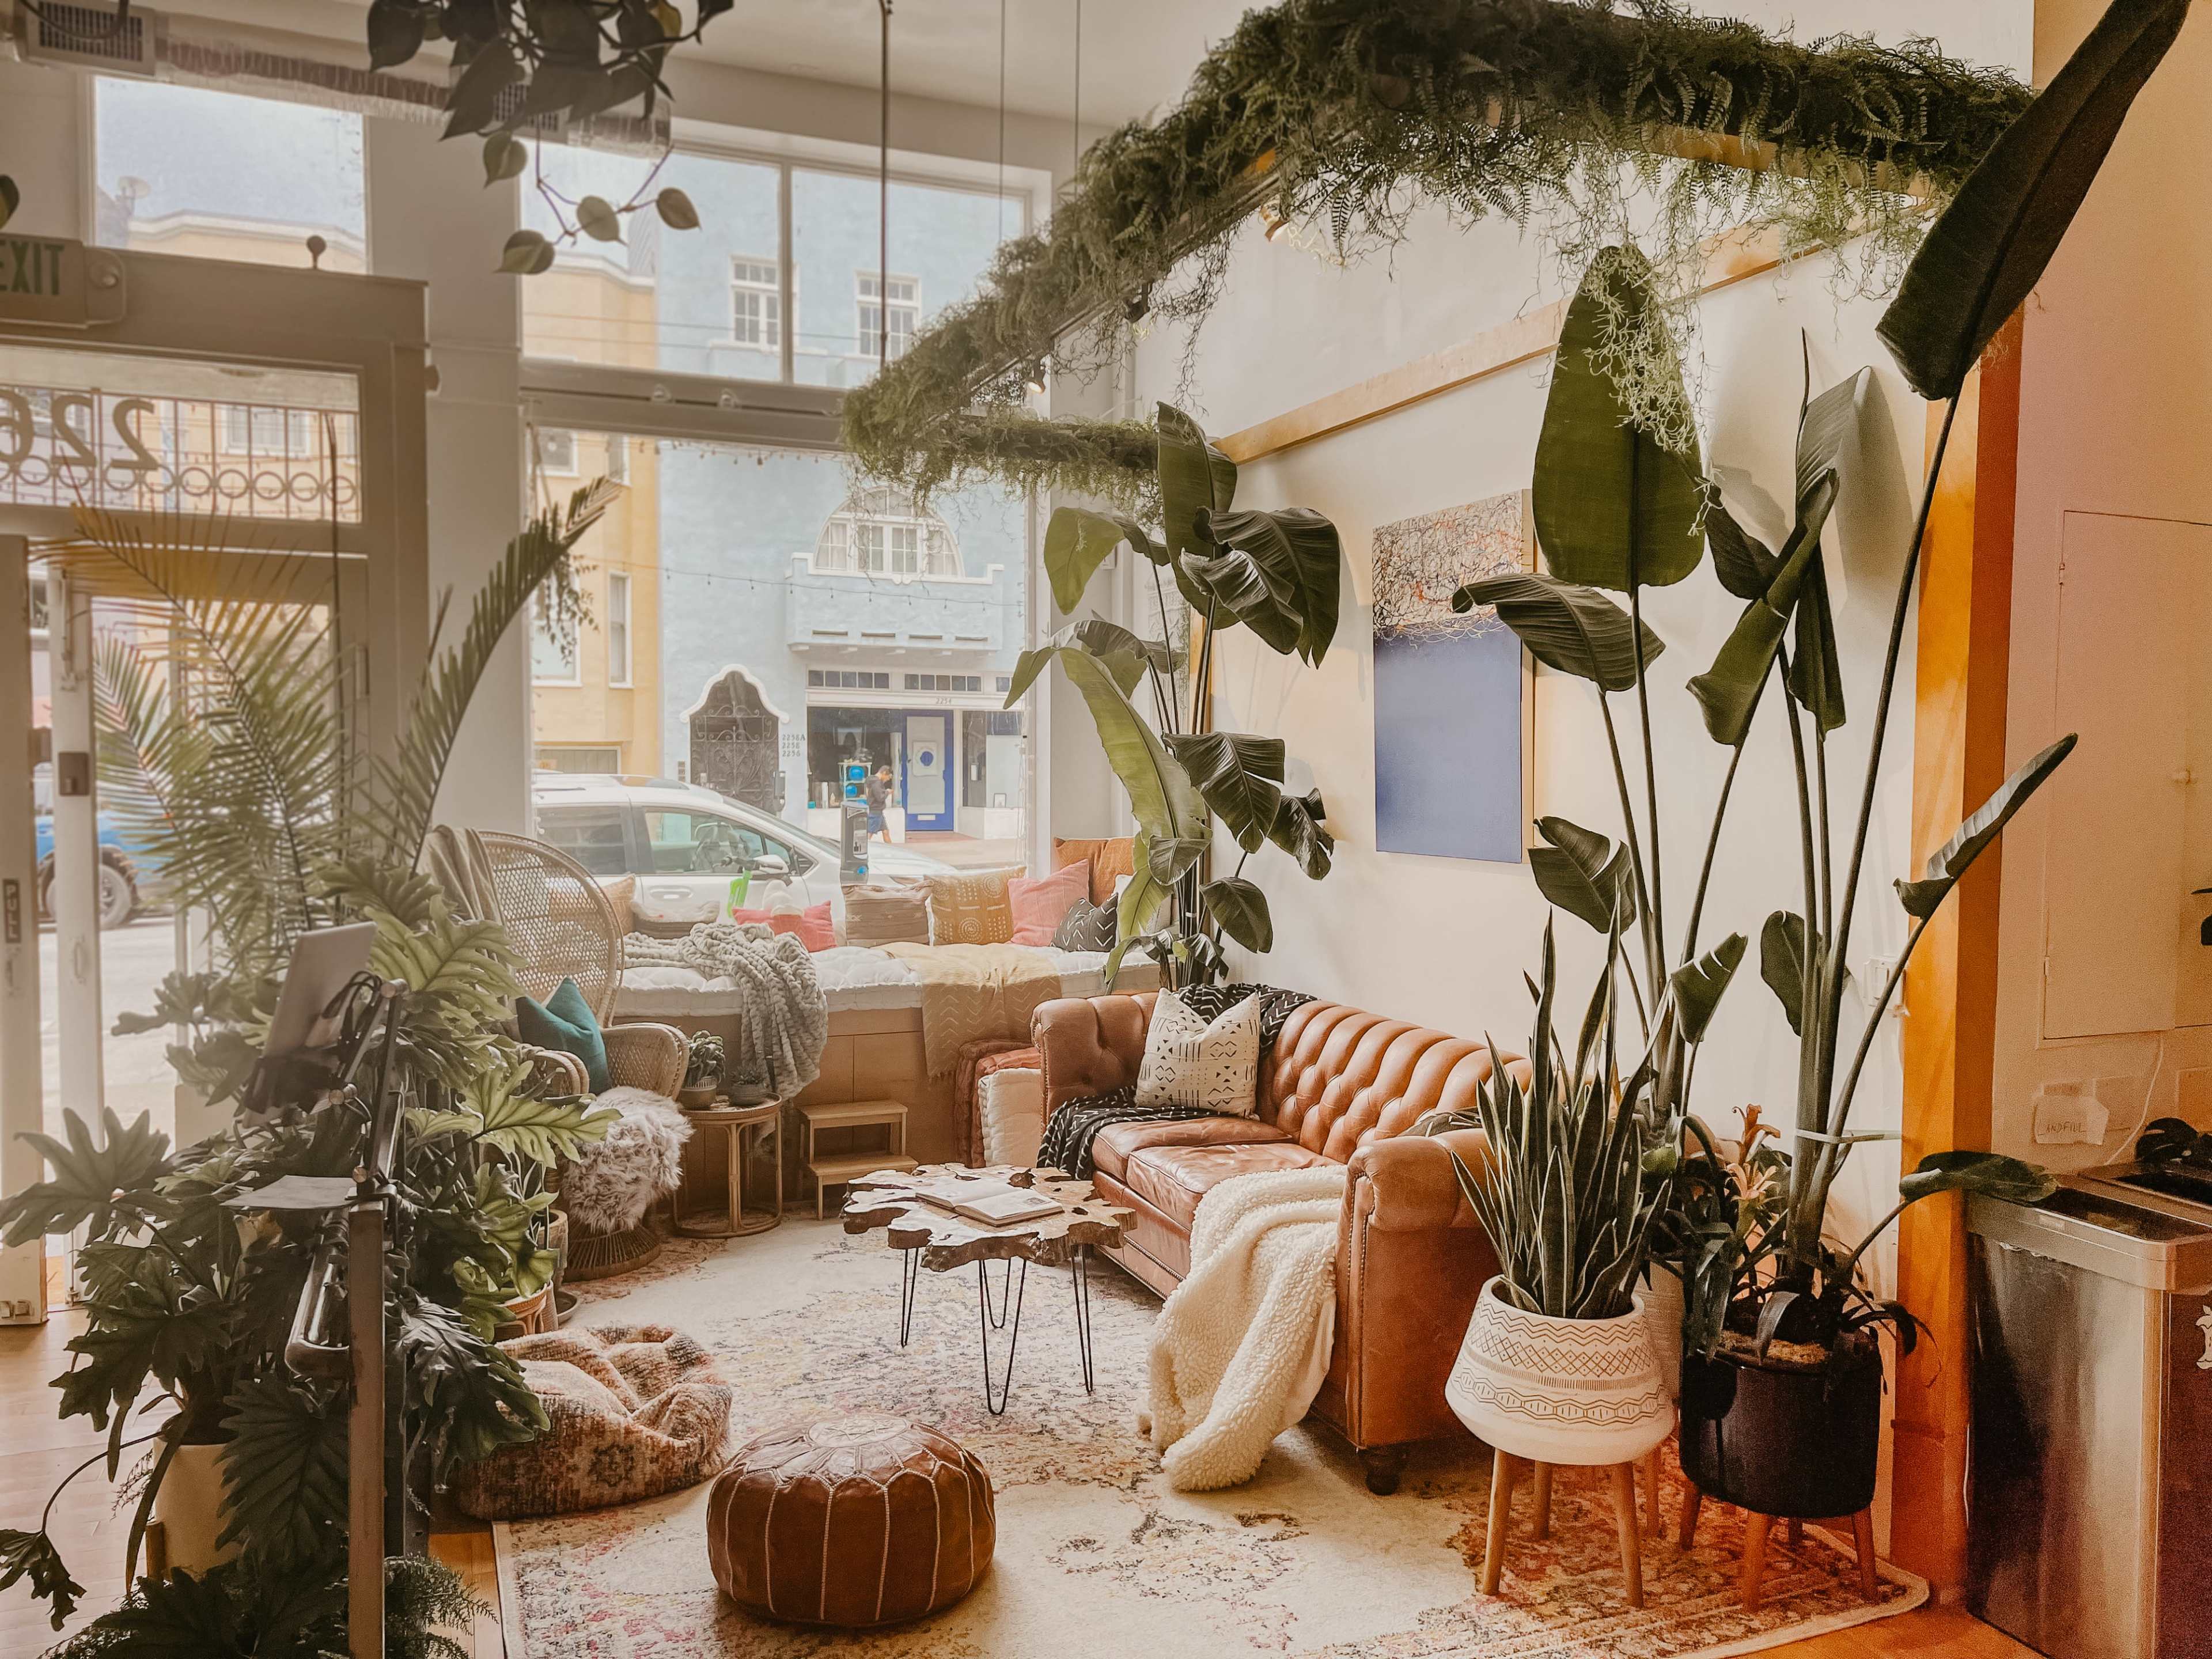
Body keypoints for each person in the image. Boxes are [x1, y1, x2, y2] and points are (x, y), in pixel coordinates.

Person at [862, 764, 893, 840]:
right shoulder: (877, 783)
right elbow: (880, 797)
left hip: (877, 810)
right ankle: (864, 849)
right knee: (870, 834)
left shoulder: (871, 781)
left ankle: (891, 850)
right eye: (888, 777)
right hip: (876, 811)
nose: (888, 780)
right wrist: (887, 792)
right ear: (884, 773)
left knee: (885, 831)